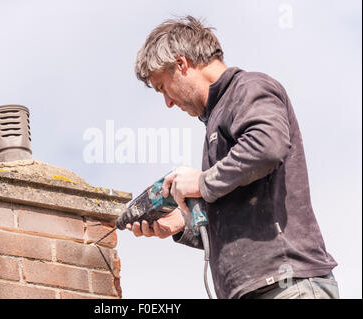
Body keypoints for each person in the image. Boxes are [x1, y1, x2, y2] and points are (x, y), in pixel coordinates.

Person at [128, 16, 339, 299]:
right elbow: (240, 220)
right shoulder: (216, 119)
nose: (167, 102)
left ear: (181, 64)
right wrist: (182, 224)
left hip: (288, 286)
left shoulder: (248, 88)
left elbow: (268, 147)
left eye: (162, 86)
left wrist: (202, 181)